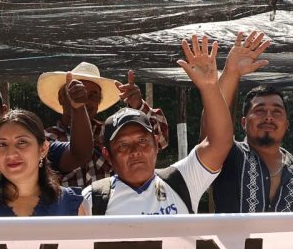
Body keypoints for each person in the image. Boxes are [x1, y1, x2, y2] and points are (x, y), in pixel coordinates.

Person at [82, 35, 232, 216]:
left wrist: (210, 86)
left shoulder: (182, 180)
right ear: (108, 155)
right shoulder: (93, 200)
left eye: (142, 141)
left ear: (155, 143)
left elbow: (220, 142)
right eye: (123, 145)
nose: (135, 151)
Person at [206, 30, 293, 214]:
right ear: (244, 122)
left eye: (277, 112)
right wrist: (231, 73)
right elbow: (213, 125)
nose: (269, 116)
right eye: (260, 110)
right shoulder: (228, 157)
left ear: (286, 124)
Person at [42, 64, 171, 189]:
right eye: (76, 92)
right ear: (61, 97)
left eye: (93, 96)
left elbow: (160, 140)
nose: (84, 99)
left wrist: (138, 105)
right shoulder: (45, 139)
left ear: (98, 103)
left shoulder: (109, 131)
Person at [0, 110, 85, 217]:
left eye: (22, 142)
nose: (11, 153)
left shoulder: (71, 206)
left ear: (43, 149)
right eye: (2, 144)